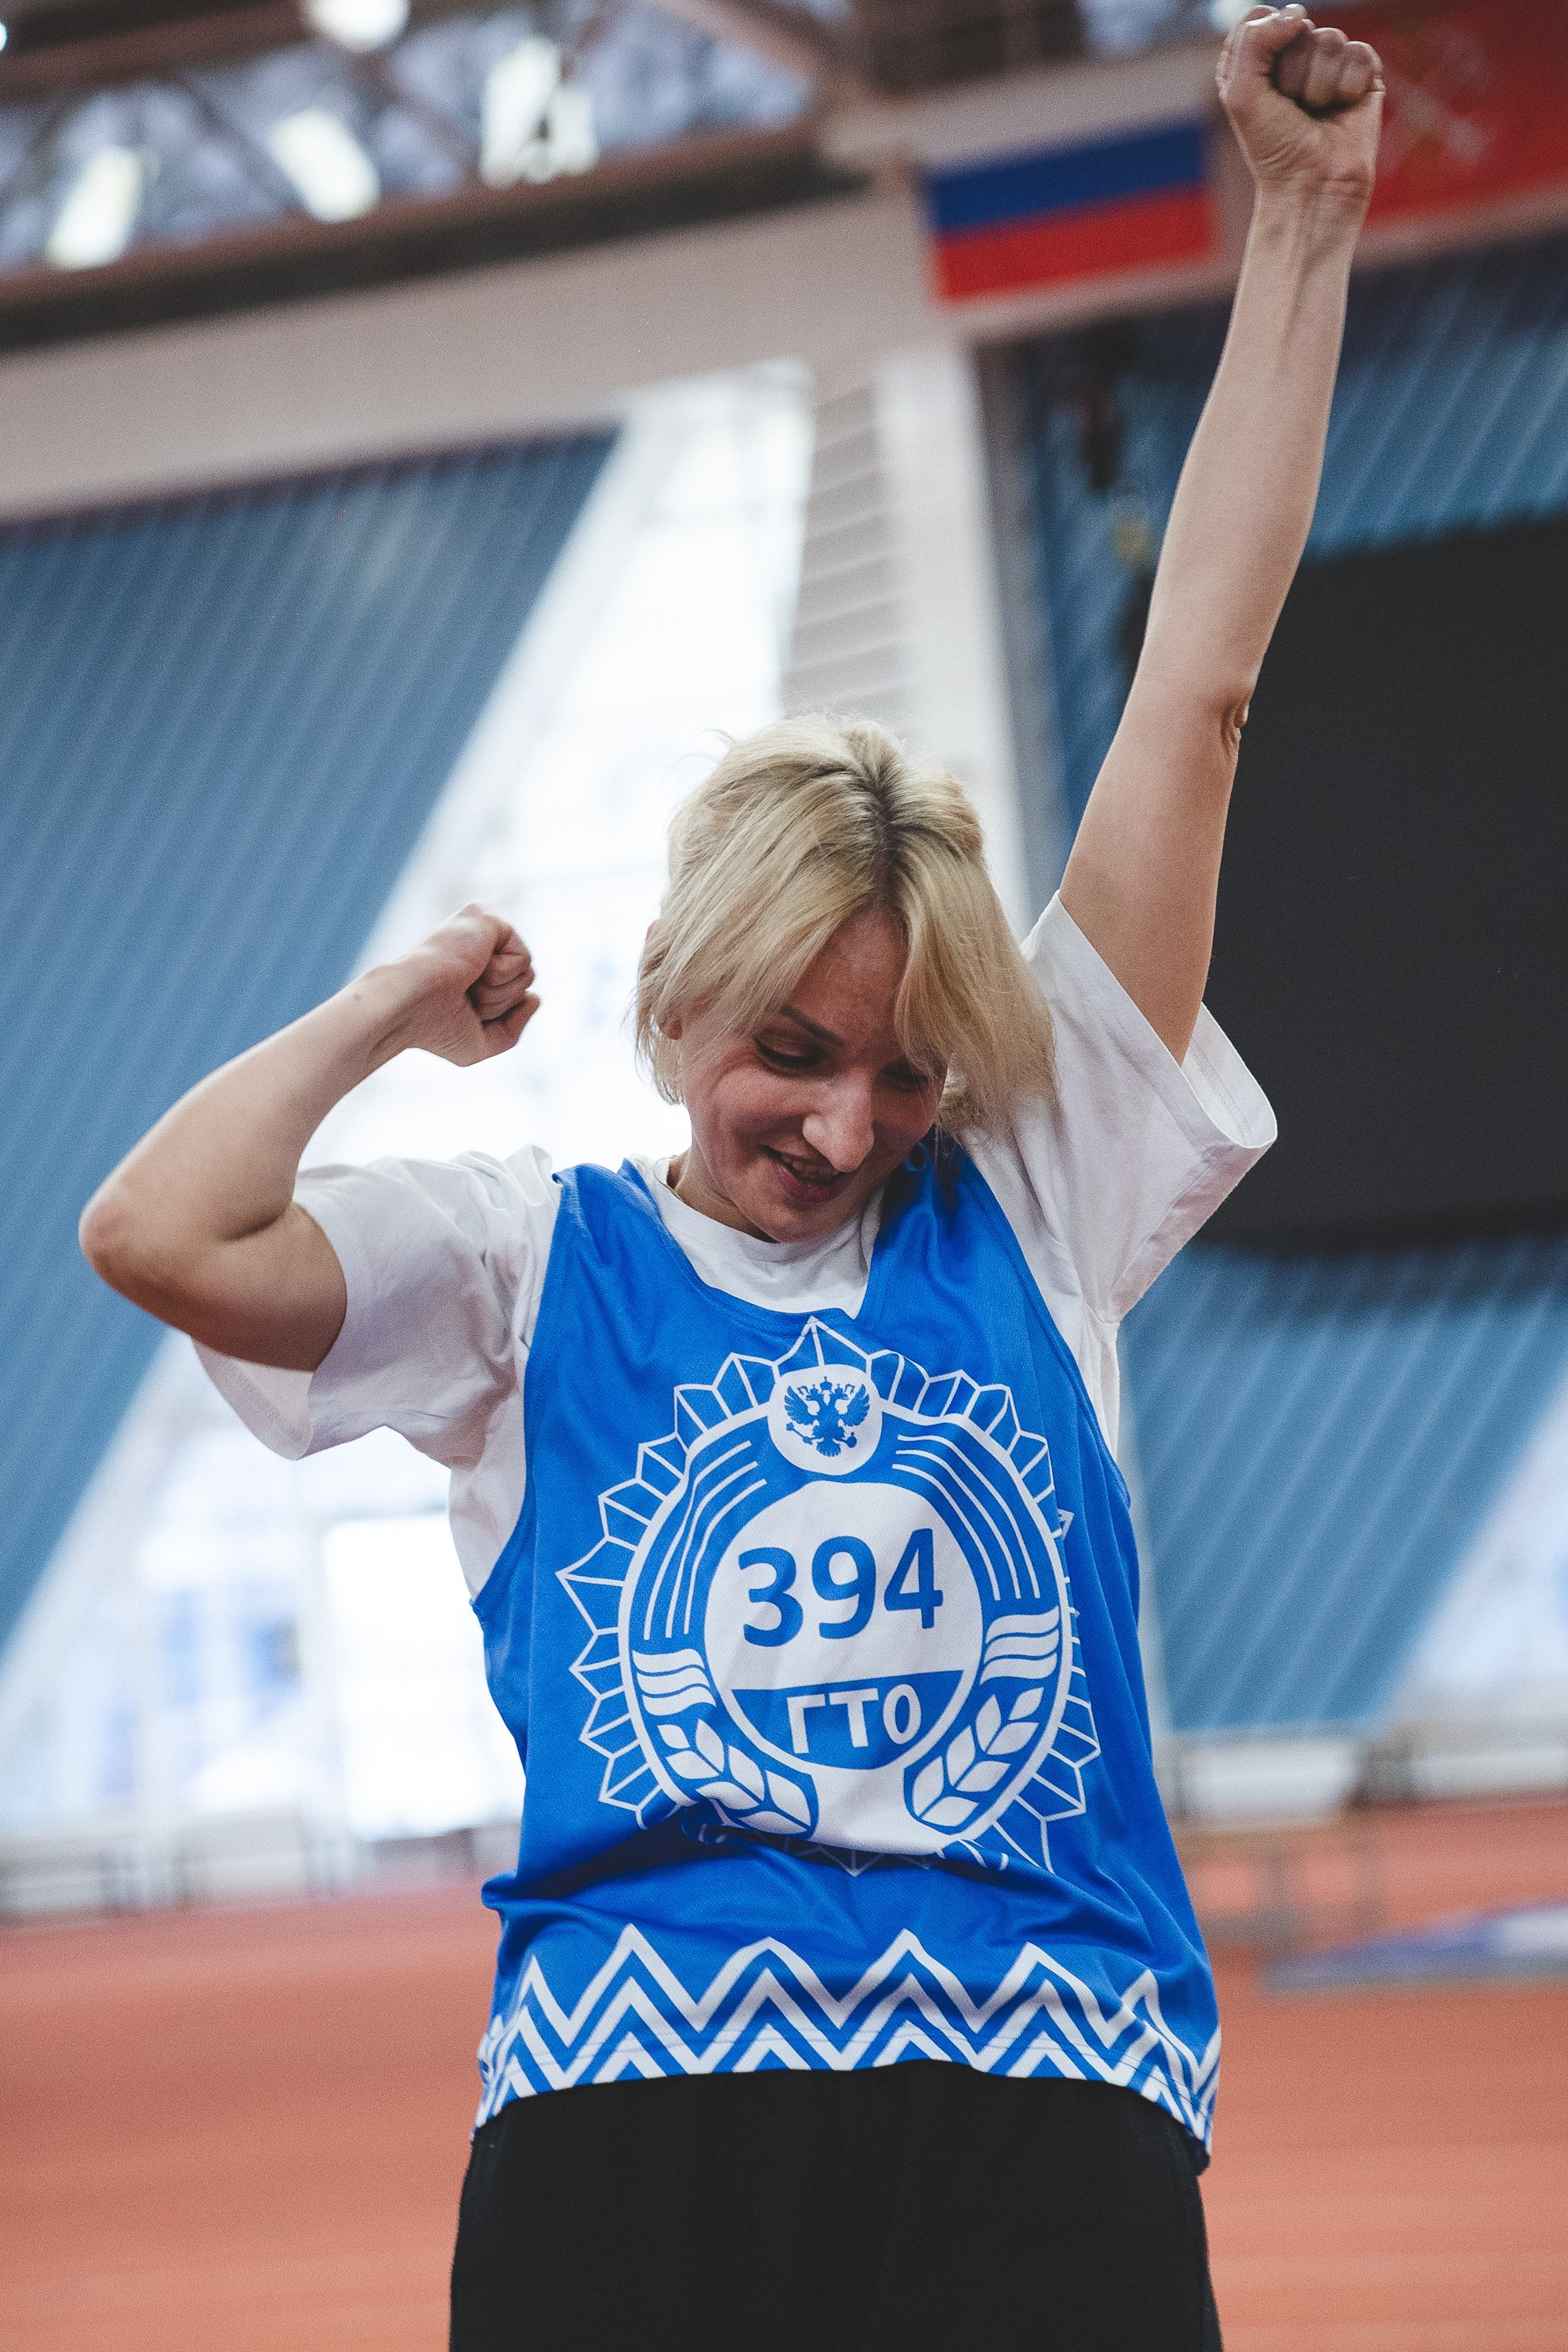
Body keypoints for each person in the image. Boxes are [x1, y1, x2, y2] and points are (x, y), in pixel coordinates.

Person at [81, 12, 1381, 2346]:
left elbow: (1196, 690)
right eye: (793, 1055)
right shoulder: (517, 1263)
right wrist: (389, 1009)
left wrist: (1301, 224)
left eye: (899, 1072)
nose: (850, 1126)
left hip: (1036, 2081)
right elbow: (155, 1235)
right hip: (635, 2110)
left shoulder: (1036, 1178)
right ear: (683, 1006)